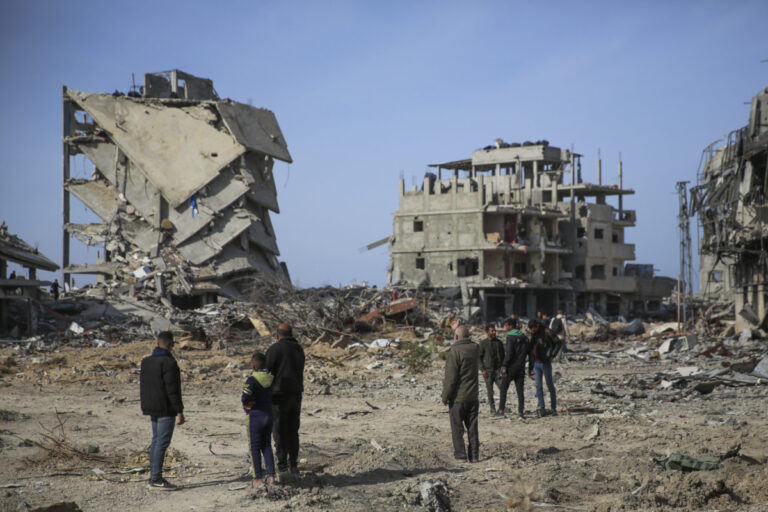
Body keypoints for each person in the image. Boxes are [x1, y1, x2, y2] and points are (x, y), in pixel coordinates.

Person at [140, 331, 185, 490]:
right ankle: (156, 479)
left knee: (156, 441)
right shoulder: (169, 363)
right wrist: (179, 410)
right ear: (172, 345)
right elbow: (172, 390)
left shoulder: (146, 362)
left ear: (157, 344)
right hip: (165, 408)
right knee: (161, 443)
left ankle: (153, 476)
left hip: (151, 407)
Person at [265, 323, 305, 481]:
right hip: (295, 395)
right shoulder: (299, 349)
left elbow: (266, 371)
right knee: (293, 431)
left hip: (279, 396)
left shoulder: (275, 349)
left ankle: (282, 468)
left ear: (277, 335)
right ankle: (293, 466)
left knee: (279, 431)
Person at [441, 325, 480, 462]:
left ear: (456, 337)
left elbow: (451, 379)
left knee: (457, 428)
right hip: (473, 396)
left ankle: (461, 455)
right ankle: (474, 456)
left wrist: (445, 397)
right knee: (473, 428)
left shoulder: (454, 351)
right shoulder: (475, 348)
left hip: (458, 398)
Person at [242, 351, 275, 487]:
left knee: (254, 447)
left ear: (254, 366)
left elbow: (244, 398)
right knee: (266, 445)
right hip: (269, 415)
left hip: (255, 416)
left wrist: (247, 405)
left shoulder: (252, 380)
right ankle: (271, 475)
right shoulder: (272, 379)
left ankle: (257, 478)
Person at [495, 317, 533, 419]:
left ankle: (500, 410)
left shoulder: (510, 337)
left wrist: (504, 365)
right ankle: (520, 412)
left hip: (511, 367)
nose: (505, 327)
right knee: (520, 390)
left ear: (511, 326)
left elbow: (509, 353)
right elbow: (530, 354)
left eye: (506, 325)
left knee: (503, 388)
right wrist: (530, 369)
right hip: (521, 368)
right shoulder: (525, 337)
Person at [529, 320, 557, 417]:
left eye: (533, 329)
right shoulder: (534, 334)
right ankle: (542, 407)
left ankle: (553, 408)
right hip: (536, 363)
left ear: (537, 326)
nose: (532, 331)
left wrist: (552, 355)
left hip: (545, 363)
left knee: (549, 385)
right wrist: (530, 367)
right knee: (538, 386)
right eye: (531, 330)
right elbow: (531, 349)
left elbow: (558, 342)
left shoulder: (547, 331)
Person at [478, 324, 505, 415]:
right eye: (492, 331)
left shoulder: (499, 343)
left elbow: (503, 356)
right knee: (490, 391)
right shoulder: (483, 344)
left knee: (503, 388)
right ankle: (492, 408)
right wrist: (483, 370)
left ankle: (502, 407)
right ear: (487, 332)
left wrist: (503, 366)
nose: (494, 332)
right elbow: (479, 358)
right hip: (488, 371)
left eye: (494, 331)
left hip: (497, 370)